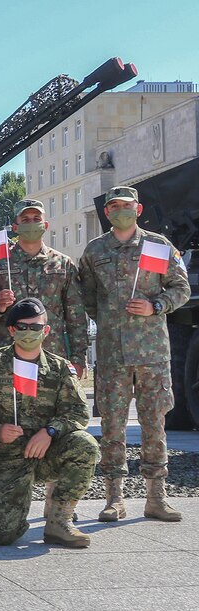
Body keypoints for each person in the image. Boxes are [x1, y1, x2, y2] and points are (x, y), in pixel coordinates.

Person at [79, 185, 189, 522]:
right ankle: (115, 498)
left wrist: (156, 305)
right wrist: (111, 319)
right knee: (112, 426)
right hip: (112, 354)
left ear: (138, 210)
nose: (120, 211)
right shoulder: (95, 251)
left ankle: (156, 496)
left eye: (127, 206)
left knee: (154, 424)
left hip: (152, 353)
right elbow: (87, 296)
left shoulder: (157, 246)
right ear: (107, 213)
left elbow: (181, 288)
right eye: (114, 207)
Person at [0, 298, 98, 547]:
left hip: (46, 452)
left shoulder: (60, 368)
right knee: (3, 534)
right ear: (12, 330)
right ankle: (14, 505)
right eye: (22, 327)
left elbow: (79, 412)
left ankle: (59, 522)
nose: (29, 333)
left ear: (45, 331)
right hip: (6, 456)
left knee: (85, 445)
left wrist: (49, 432)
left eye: (35, 327)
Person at [0, 199, 88, 376]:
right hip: (9, 359)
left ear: (45, 225)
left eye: (36, 219)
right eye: (25, 220)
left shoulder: (63, 264)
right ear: (15, 227)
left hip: (52, 358)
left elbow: (76, 317)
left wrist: (78, 359)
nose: (31, 223)